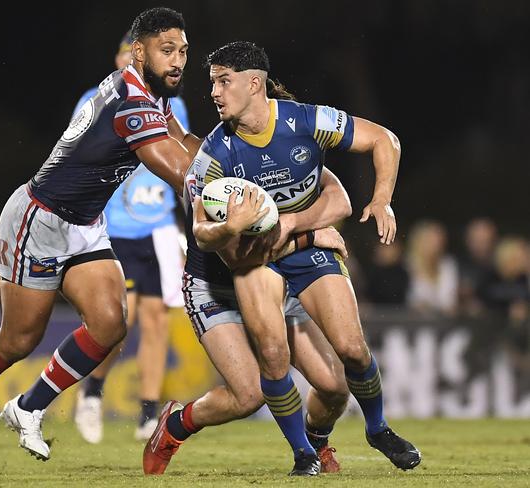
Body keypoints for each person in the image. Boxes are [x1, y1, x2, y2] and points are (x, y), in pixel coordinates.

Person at [0, 7, 200, 474]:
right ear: (139, 51)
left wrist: (233, 160)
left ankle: (28, 407)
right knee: (18, 340)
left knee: (110, 324)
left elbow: (185, 142)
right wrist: (235, 194)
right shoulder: (132, 102)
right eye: (166, 51)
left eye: (183, 52)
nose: (177, 61)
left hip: (84, 222)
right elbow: (176, 171)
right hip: (41, 219)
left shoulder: (146, 88)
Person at [164, 41, 421, 475]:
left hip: (302, 253)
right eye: (212, 83)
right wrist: (230, 226)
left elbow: (385, 139)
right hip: (250, 261)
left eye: (223, 82)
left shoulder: (306, 121)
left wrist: (382, 200)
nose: (214, 92)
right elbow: (203, 235)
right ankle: (304, 454)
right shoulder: (214, 155)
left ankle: (377, 429)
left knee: (353, 351)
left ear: (254, 83)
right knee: (271, 352)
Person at [143, 160, 353, 475]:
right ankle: (176, 424)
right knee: (249, 396)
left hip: (274, 283)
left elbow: (339, 196)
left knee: (335, 386)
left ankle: (316, 443)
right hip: (216, 289)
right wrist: (311, 237)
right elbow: (238, 257)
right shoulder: (217, 166)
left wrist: (376, 201)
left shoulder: (291, 148)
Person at [72, 30, 189, 443]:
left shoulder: (169, 102)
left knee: (157, 321)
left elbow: (180, 159)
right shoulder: (97, 97)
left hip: (156, 228)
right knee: (122, 319)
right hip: (115, 226)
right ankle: (91, 393)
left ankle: (148, 413)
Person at [406, 219, 459, 316]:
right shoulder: (408, 265)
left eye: (439, 240)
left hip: (444, 322)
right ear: (419, 241)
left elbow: (449, 302)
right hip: (412, 323)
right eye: (430, 240)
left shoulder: (447, 265)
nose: (436, 245)